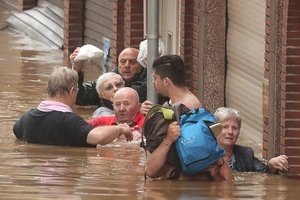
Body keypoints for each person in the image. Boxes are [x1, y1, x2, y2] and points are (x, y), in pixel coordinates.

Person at [144, 54, 234, 180]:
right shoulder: (173, 104)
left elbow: (151, 170)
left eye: (155, 78)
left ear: (166, 81)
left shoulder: (189, 108)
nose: (153, 82)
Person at [13, 67, 133, 147]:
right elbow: (99, 137)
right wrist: (121, 129)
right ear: (72, 92)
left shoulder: (26, 118)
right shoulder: (70, 121)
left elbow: (16, 132)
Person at [214, 107, 289, 174]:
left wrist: (270, 166)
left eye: (234, 128)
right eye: (225, 127)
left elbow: (263, 173)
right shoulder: (206, 155)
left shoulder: (246, 154)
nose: (230, 132)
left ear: (239, 132)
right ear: (215, 130)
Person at [70, 47, 147, 106]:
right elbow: (79, 97)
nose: (126, 66)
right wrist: (76, 71)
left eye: (132, 62)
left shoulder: (149, 84)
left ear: (141, 64)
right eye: (123, 62)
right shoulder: (108, 80)